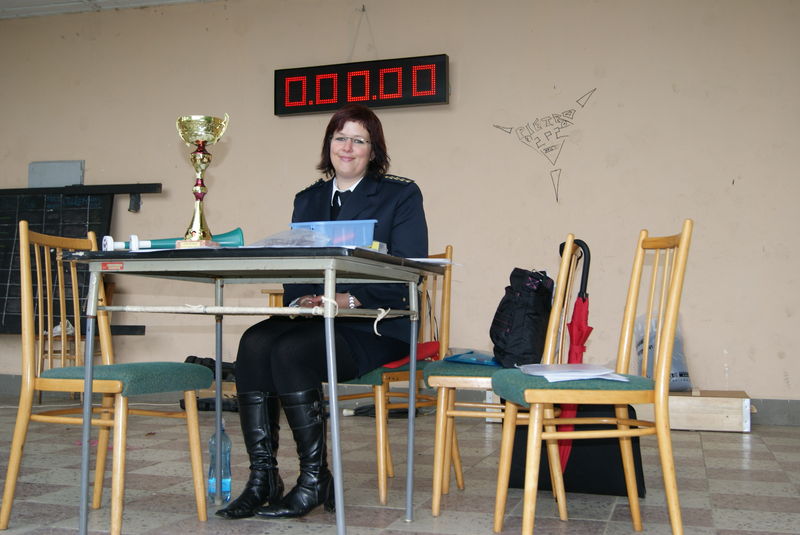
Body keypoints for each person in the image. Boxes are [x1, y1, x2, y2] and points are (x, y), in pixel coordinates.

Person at [216, 103, 428, 520]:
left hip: (375, 324)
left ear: (373, 150)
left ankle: (314, 479)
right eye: (339, 137)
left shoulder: (400, 195)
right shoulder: (308, 198)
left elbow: (408, 270)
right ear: (328, 144)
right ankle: (263, 478)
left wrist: (347, 299)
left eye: (358, 140)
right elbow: (297, 265)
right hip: (316, 319)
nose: (347, 147)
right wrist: (301, 300)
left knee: (290, 351)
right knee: (254, 341)